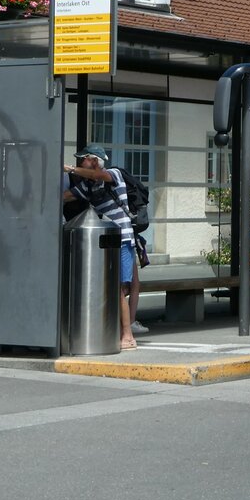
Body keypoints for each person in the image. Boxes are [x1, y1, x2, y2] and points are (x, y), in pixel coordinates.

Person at [63, 145, 141, 349]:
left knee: (120, 288)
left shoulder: (114, 175)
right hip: (107, 242)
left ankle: (128, 335)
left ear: (95, 160)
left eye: (84, 160)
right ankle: (117, 331)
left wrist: (70, 169)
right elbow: (64, 196)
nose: (81, 163)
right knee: (112, 286)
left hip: (123, 238)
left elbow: (98, 174)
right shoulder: (86, 187)